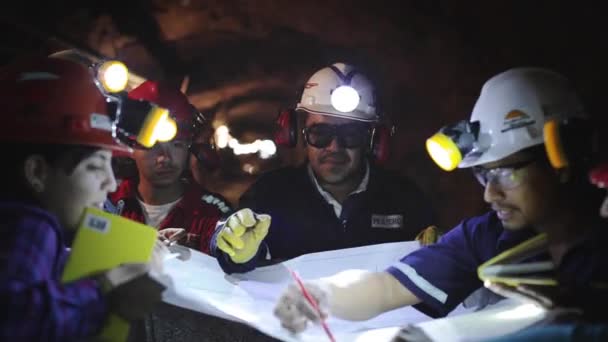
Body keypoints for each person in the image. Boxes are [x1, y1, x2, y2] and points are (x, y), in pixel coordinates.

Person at [272, 67, 608, 332]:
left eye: (507, 171)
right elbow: (388, 288)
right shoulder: (486, 237)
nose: (491, 193)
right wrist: (323, 298)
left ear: (563, 158)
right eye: (484, 175)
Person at [210, 62, 435, 273]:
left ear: (373, 141)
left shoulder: (405, 199)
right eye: (321, 134)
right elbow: (230, 252)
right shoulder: (270, 193)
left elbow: (437, 269)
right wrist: (234, 250)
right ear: (298, 134)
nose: (334, 147)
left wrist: (442, 251)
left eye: (350, 135)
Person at [0, 56, 165, 340]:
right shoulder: (28, 224)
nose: (111, 183)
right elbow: (10, 320)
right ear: (37, 172)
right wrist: (105, 290)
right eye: (94, 166)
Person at [105, 80, 231, 254]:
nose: (165, 157)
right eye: (151, 145)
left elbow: (230, 246)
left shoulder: (212, 211)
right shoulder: (106, 203)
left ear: (189, 146)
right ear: (129, 147)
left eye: (177, 144)